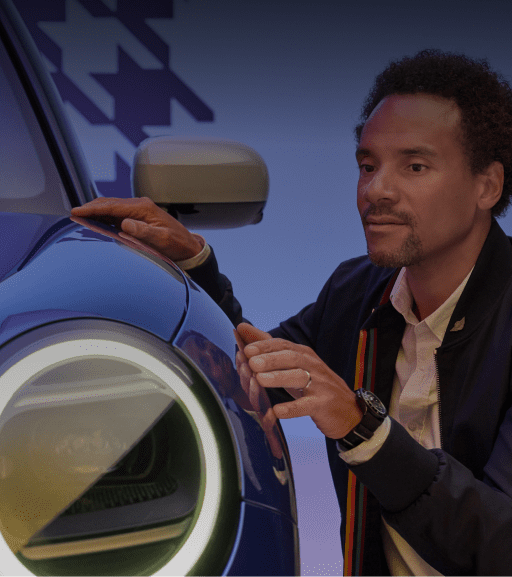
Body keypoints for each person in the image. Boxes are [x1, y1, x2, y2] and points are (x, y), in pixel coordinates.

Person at [71, 49, 512, 576]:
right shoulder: (359, 291)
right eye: (367, 166)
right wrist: (195, 260)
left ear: (488, 185)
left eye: (414, 166)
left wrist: (362, 426)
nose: (376, 191)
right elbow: (256, 373)